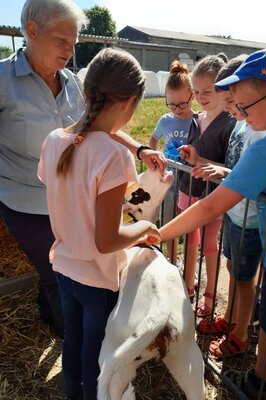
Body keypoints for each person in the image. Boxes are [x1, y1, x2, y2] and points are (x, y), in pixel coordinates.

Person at [0, 0, 166, 338]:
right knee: (54, 269)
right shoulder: (3, 80)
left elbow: (95, 123)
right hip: (27, 200)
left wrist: (138, 147)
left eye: (73, 42)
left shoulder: (72, 83)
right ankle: (68, 333)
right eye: (62, 40)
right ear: (32, 31)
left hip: (71, 197)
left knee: (65, 266)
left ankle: (66, 333)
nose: (69, 49)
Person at [147, 48, 266, 400]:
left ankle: (260, 382)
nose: (241, 118)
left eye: (244, 108)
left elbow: (210, 207)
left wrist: (158, 232)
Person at [38, 47, 161, 400]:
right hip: (97, 280)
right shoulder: (113, 156)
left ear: (87, 90)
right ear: (130, 102)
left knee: (72, 343)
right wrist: (144, 228)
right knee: (97, 355)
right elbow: (107, 241)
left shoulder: (54, 141)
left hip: (63, 267)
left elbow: (67, 192)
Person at [194, 55, 266, 359]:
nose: (227, 108)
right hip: (234, 214)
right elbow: (232, 168)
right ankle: (232, 317)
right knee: (232, 269)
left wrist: (226, 177)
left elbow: (254, 178)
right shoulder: (240, 125)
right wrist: (201, 162)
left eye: (231, 101)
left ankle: (239, 334)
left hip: (250, 220)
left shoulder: (259, 130)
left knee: (243, 278)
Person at [178, 54, 236, 311]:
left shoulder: (231, 122)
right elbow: (198, 154)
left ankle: (210, 294)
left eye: (207, 91)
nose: (201, 97)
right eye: (196, 91)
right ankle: (187, 286)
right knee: (190, 239)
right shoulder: (196, 118)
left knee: (210, 244)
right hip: (189, 187)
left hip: (213, 195)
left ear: (222, 89)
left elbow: (230, 166)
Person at [149, 60, 193, 263]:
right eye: (172, 104)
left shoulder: (197, 120)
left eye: (183, 104)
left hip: (190, 182)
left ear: (192, 96)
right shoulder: (165, 120)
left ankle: (188, 265)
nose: (177, 109)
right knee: (168, 221)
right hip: (168, 180)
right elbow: (153, 139)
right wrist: (154, 156)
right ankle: (173, 262)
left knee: (190, 225)